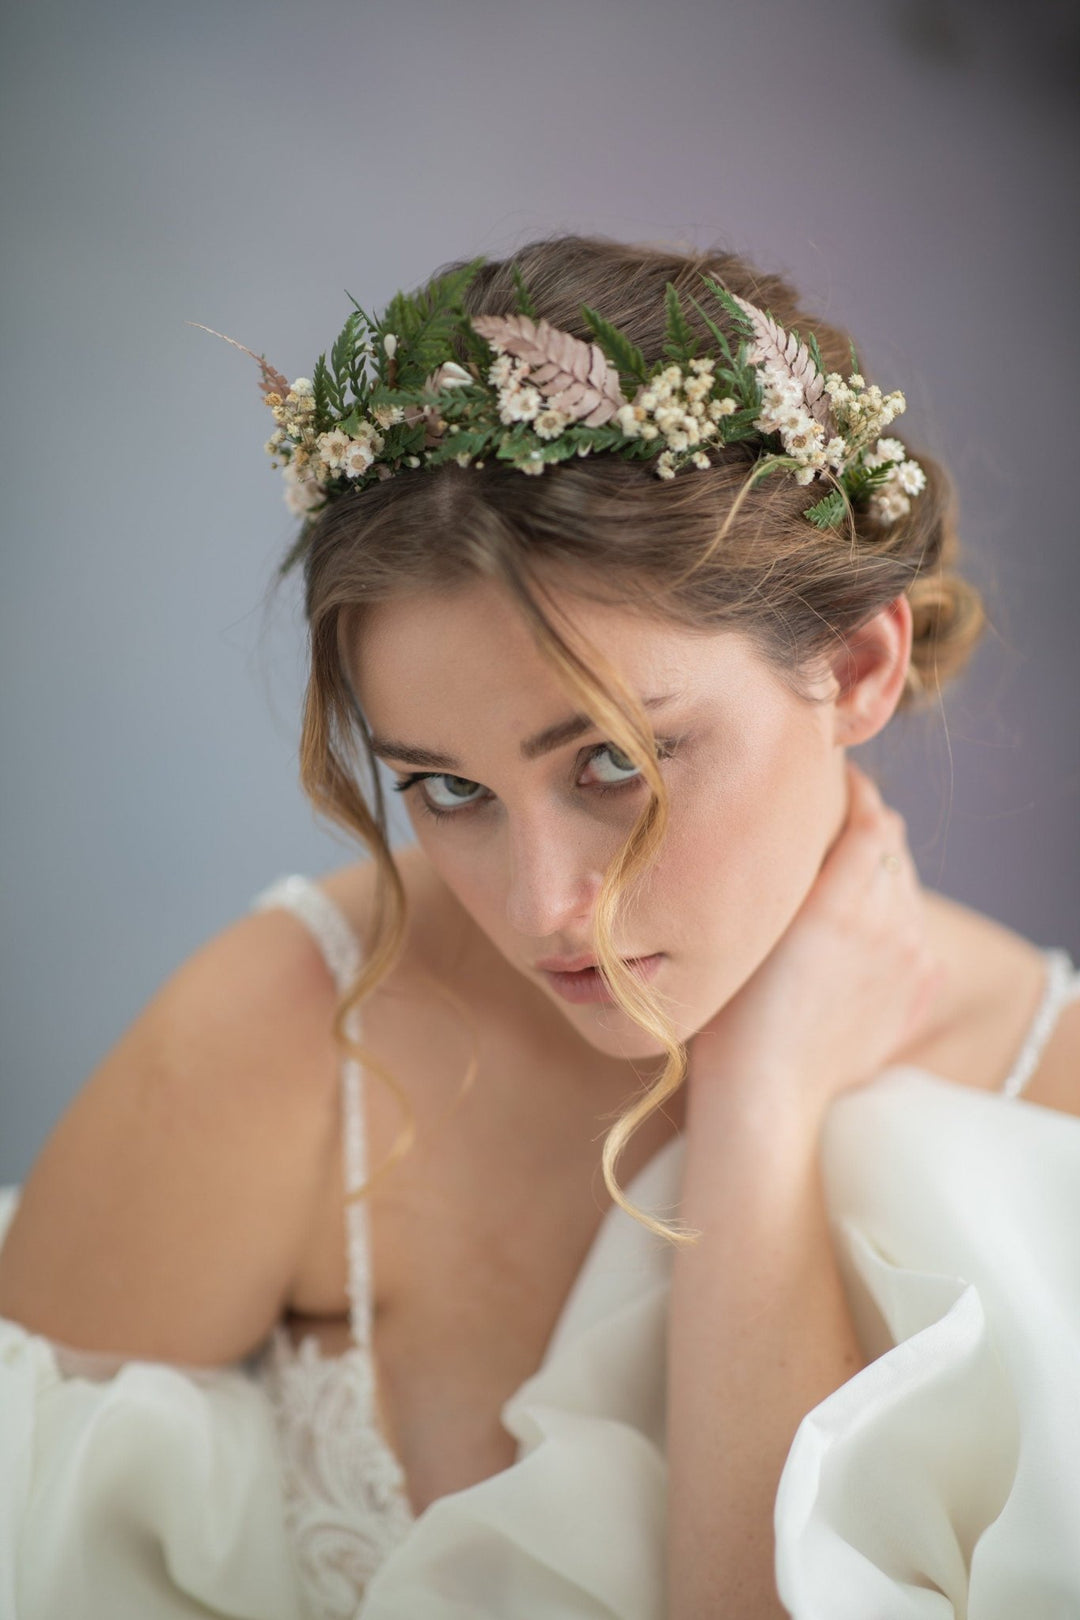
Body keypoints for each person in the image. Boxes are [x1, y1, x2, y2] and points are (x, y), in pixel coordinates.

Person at [0, 233, 1077, 1620]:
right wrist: (761, 1100)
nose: (542, 907)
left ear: (858, 665)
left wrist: (759, 1115)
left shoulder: (1054, 1100)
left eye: (614, 763)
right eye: (448, 790)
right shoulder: (291, 1043)